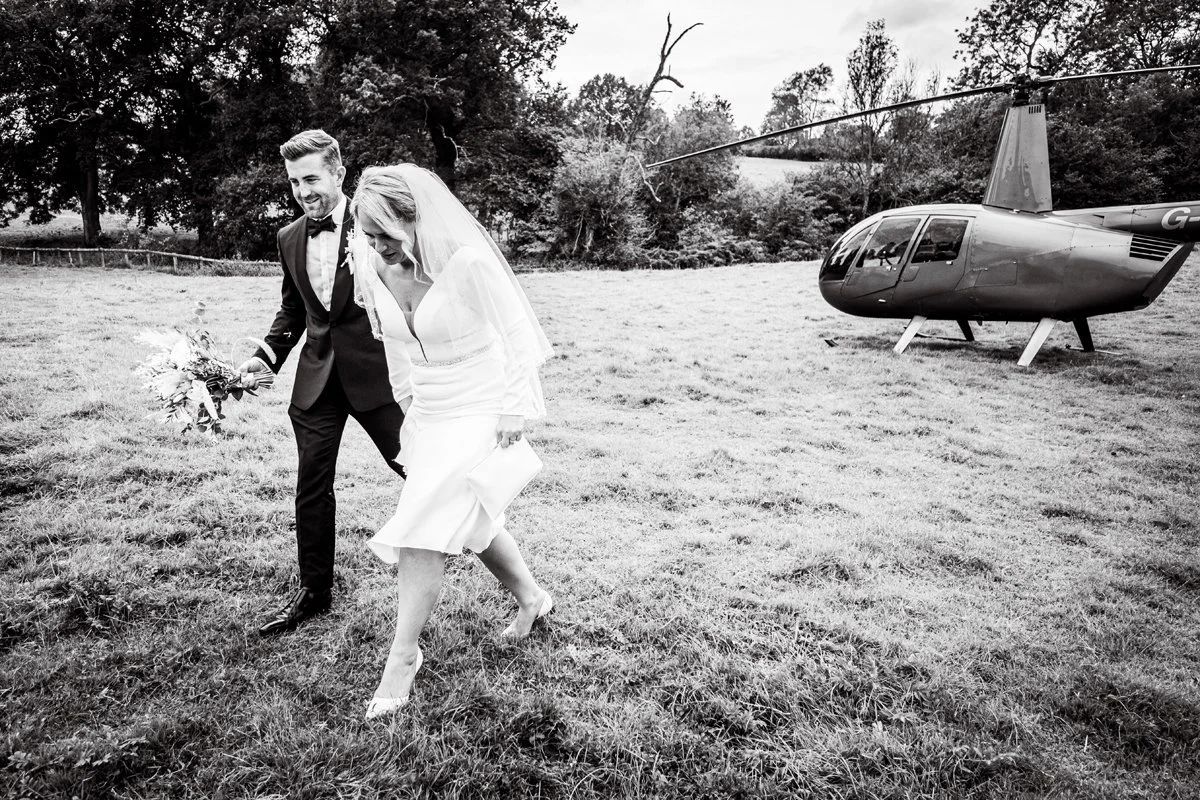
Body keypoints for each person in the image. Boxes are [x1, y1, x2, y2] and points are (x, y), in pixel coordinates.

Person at [346, 164, 554, 719]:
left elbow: (519, 334)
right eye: (368, 235)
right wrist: (406, 406)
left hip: (482, 402)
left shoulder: (467, 264)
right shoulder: (371, 262)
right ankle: (532, 598)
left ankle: (402, 655)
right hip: (429, 409)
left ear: (415, 220)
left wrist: (513, 407)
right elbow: (392, 342)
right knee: (472, 518)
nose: (378, 247)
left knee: (423, 525)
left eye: (387, 234)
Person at [240, 130, 406, 636]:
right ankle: (314, 592)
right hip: (317, 381)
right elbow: (294, 308)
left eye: (311, 178)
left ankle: (483, 540)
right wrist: (265, 356)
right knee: (311, 487)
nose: (303, 191)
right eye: (294, 182)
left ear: (339, 173)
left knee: (421, 470)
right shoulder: (289, 237)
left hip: (380, 378)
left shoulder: (376, 223)